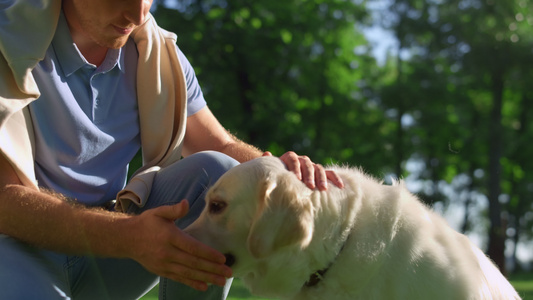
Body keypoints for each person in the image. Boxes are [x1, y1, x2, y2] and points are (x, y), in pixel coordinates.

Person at [0, 0, 343, 299]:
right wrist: (126, 237)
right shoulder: (7, 38)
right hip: (16, 247)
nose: (138, 13)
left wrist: (283, 174)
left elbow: (219, 144)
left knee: (218, 169)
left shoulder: (157, 54)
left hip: (109, 253)